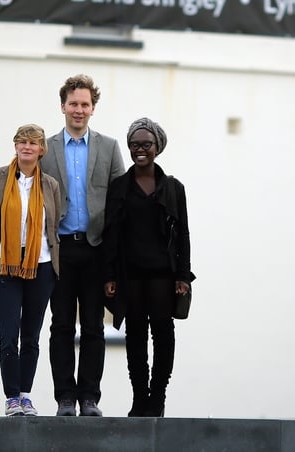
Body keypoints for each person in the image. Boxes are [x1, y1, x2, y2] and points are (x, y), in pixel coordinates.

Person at [43, 74, 125, 416]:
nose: (79, 110)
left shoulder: (108, 147)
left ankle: (90, 398)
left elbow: (120, 200)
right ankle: (64, 397)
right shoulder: (46, 149)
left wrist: (117, 254)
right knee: (61, 324)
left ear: (93, 108)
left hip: (95, 249)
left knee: (93, 325)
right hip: (59, 250)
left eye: (85, 104)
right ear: (63, 106)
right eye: (73, 103)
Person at [102, 117, 194, 417]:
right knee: (135, 338)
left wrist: (183, 275)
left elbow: (183, 234)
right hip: (131, 275)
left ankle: (158, 397)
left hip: (163, 277)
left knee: (164, 335)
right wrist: (110, 275)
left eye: (146, 144)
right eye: (134, 145)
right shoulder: (119, 187)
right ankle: (140, 398)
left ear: (158, 147)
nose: (140, 150)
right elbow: (111, 234)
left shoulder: (173, 187)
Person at [0, 124, 61, 416]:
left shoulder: (50, 185)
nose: (26, 147)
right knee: (9, 333)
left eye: (33, 143)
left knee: (32, 335)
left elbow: (54, 224)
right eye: (22, 141)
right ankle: (11, 397)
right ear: (15, 146)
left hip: (42, 265)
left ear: (41, 150)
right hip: (5, 266)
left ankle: (25, 395)